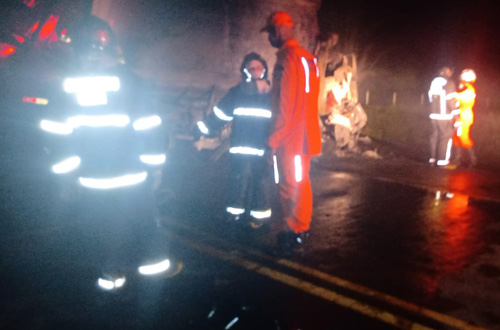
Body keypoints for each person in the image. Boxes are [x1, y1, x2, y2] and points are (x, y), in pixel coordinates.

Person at [261, 11, 321, 254]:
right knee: (299, 182)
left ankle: (294, 232)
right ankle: (297, 228)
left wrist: (273, 139)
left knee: (290, 184)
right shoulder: (308, 58)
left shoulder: (287, 59)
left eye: (270, 33)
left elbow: (285, 104)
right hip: (305, 133)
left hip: (291, 136)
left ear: (277, 31)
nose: (270, 38)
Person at [196, 52, 273, 228]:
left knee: (260, 182)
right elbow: (219, 115)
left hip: (262, 147)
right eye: (250, 68)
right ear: (245, 71)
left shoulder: (272, 95)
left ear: (264, 70)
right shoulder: (237, 93)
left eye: (258, 67)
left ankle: (259, 217)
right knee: (238, 180)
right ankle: (233, 215)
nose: (255, 71)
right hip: (241, 147)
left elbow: (280, 119)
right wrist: (201, 129)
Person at [428, 67, 457, 167]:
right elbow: (451, 101)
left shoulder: (433, 82)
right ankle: (442, 162)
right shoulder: (449, 83)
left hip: (433, 116)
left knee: (434, 137)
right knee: (445, 138)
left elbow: (431, 99)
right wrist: (456, 116)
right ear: (448, 73)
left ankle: (432, 159)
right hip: (444, 116)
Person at [452, 69, 477, 167]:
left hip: (464, 117)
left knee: (463, 137)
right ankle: (457, 159)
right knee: (456, 137)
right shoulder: (465, 88)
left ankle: (473, 160)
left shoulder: (469, 89)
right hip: (459, 116)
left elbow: (460, 98)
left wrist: (451, 93)